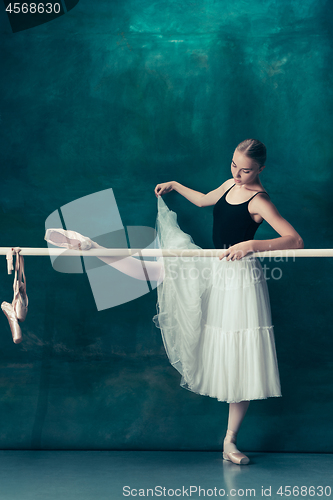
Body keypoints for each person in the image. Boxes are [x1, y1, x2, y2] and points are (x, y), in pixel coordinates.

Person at [44, 139, 304, 465]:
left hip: (240, 279)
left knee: (241, 358)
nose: (238, 174)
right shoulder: (229, 183)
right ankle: (95, 249)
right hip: (215, 263)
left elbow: (294, 239)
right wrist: (176, 186)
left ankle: (230, 441)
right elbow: (203, 201)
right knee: (162, 266)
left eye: (246, 170)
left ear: (261, 169)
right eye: (234, 166)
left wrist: (252, 245)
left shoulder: (260, 200)